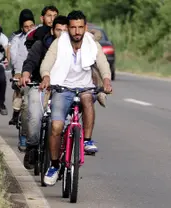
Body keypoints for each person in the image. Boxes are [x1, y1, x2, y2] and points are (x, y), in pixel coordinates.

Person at [38, 10, 113, 186]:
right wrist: (46, 76)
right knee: (56, 127)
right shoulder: (59, 43)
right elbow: (46, 63)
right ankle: (54, 165)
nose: (77, 32)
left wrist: (107, 80)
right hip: (62, 88)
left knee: (88, 99)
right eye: (73, 28)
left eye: (80, 27)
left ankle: (86, 140)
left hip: (84, 87)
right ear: (68, 29)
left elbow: (102, 63)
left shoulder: (92, 43)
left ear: (85, 27)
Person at [21, 15, 68, 169]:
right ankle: (32, 147)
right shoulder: (40, 45)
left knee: (67, 121)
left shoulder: (73, 48)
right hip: (40, 86)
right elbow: (30, 62)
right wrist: (26, 74)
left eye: (65, 30)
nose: (61, 34)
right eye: (58, 30)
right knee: (34, 114)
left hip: (63, 89)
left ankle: (67, 153)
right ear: (53, 30)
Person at [8, 9, 36, 152]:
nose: (29, 29)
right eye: (26, 27)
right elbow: (15, 56)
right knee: (24, 103)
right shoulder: (17, 39)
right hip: (22, 73)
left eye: (32, 26)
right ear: (21, 27)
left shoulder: (40, 36)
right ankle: (24, 137)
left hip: (38, 74)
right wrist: (18, 73)